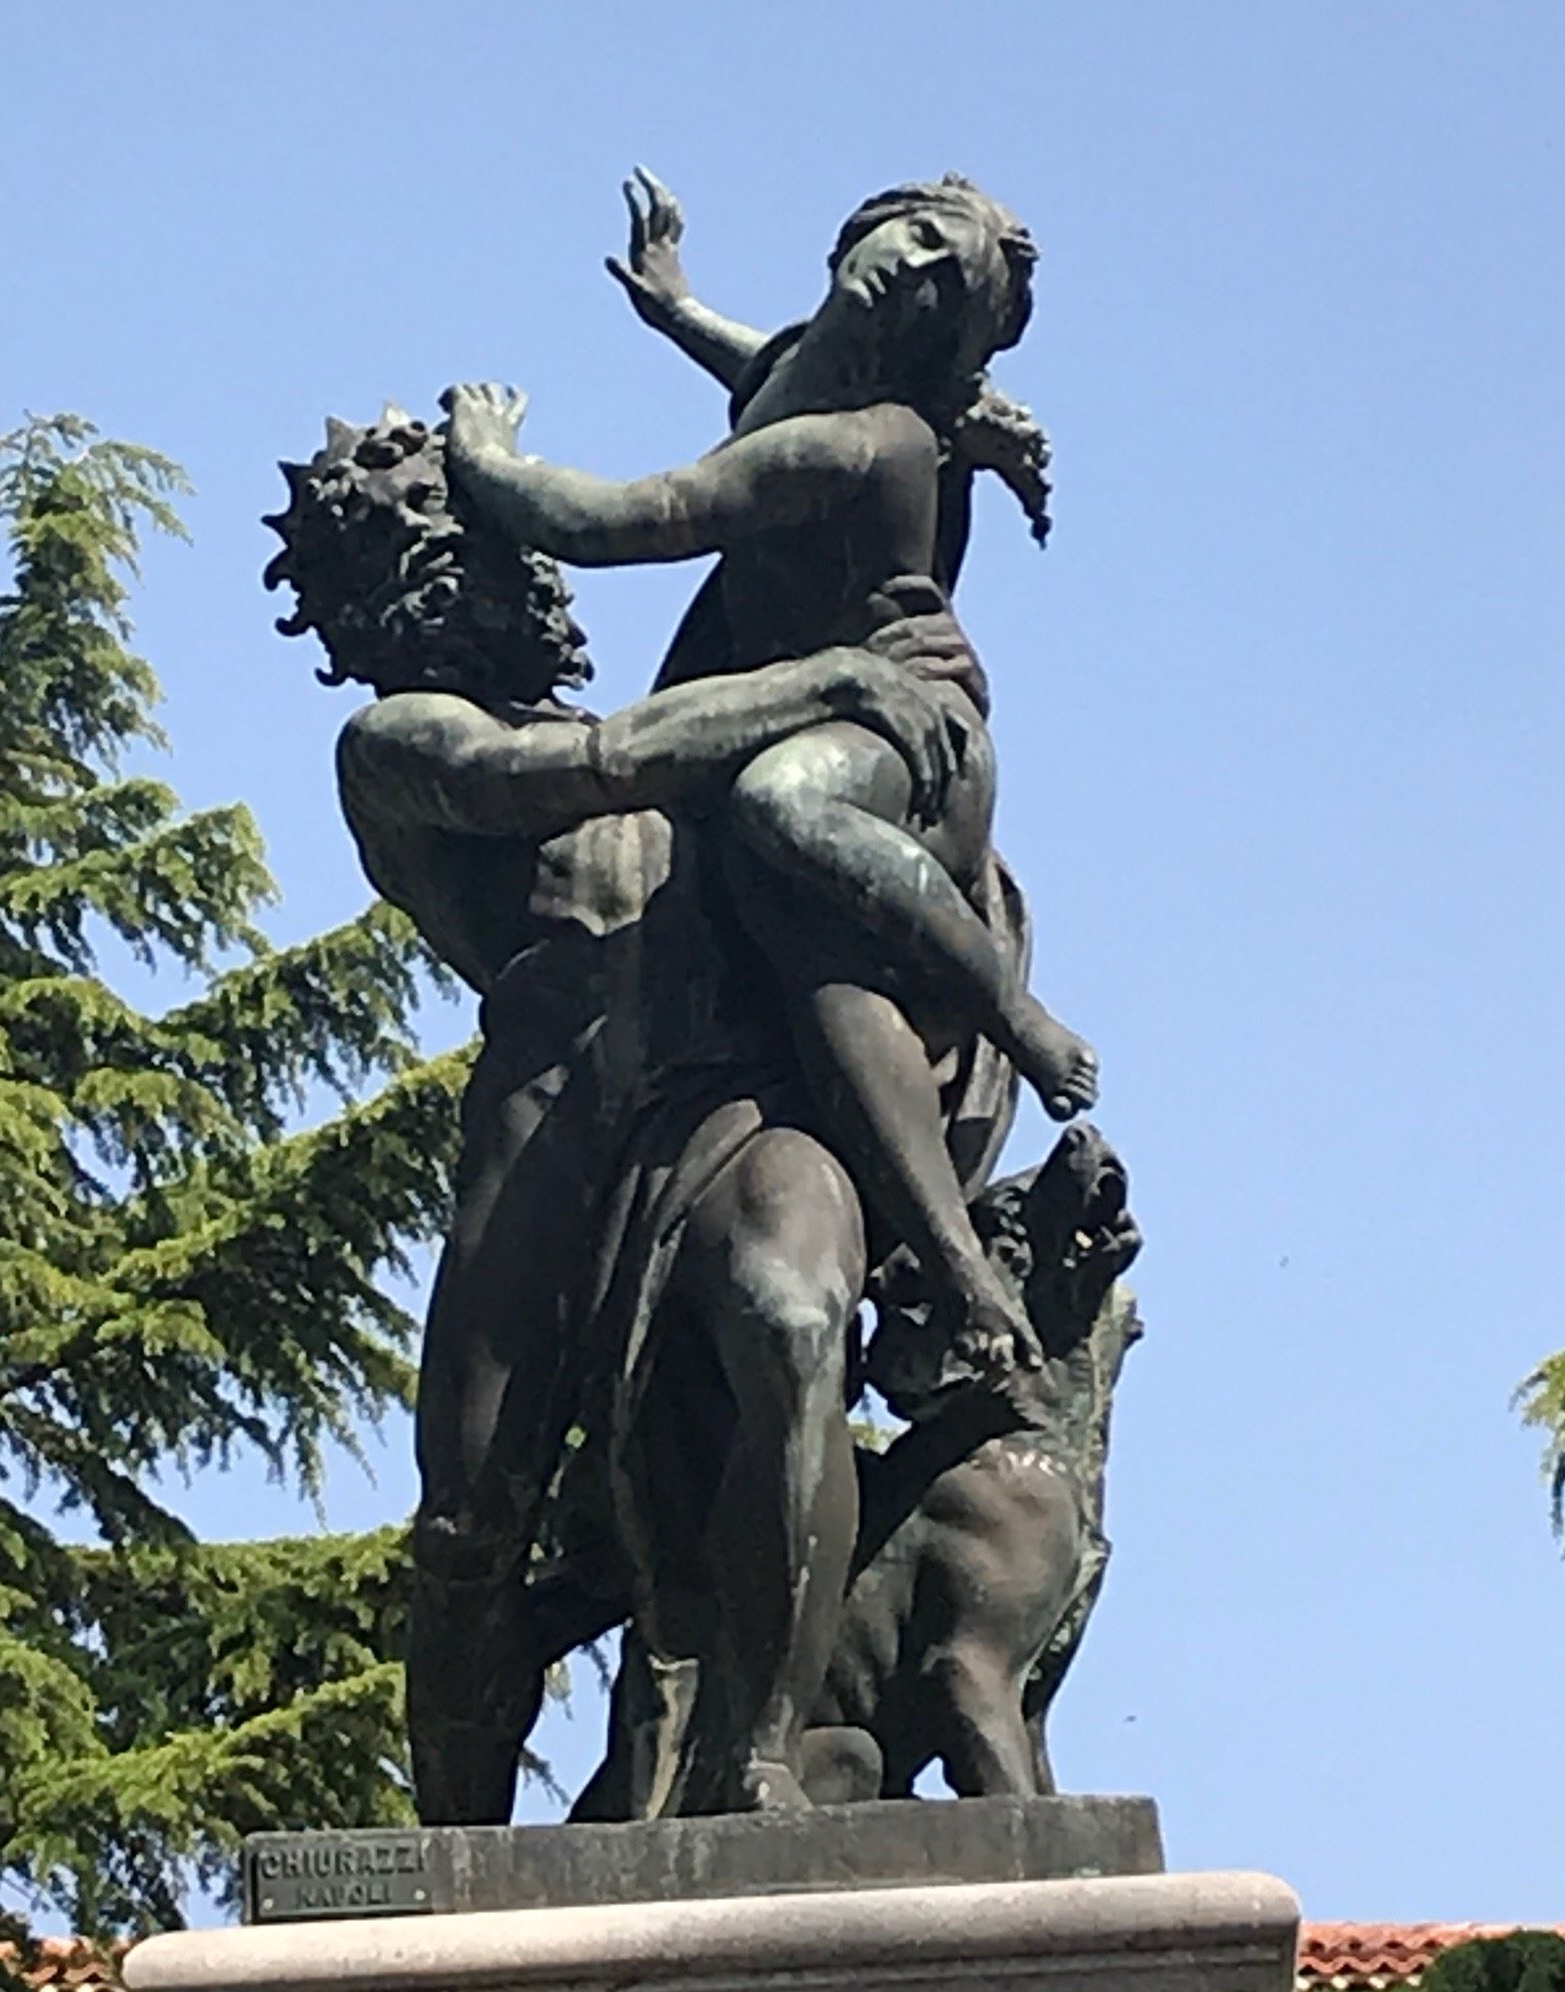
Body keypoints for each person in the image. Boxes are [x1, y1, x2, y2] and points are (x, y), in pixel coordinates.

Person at [309, 407, 990, 1816]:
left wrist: (939, 433)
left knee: (796, 1320)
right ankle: (455, 1853)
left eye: (478, 543)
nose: (471, 576)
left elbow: (801, 513)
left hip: (728, 1109)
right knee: (471, 1516)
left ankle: (759, 1758)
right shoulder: (399, 743)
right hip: (551, 1136)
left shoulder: (707, 713)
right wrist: (837, 680)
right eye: (421, 552)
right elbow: (591, 764)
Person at [443, 173, 1096, 1397]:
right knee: (824, 986)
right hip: (829, 718)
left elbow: (624, 520)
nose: (913, 264)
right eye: (914, 234)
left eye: (945, 277)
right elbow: (769, 364)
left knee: (773, 807)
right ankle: (960, 1271)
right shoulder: (813, 379)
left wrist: (486, 457)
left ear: (930, 346)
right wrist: (674, 306)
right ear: (859, 227)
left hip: (903, 743)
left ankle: (1011, 1012)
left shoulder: (854, 443)